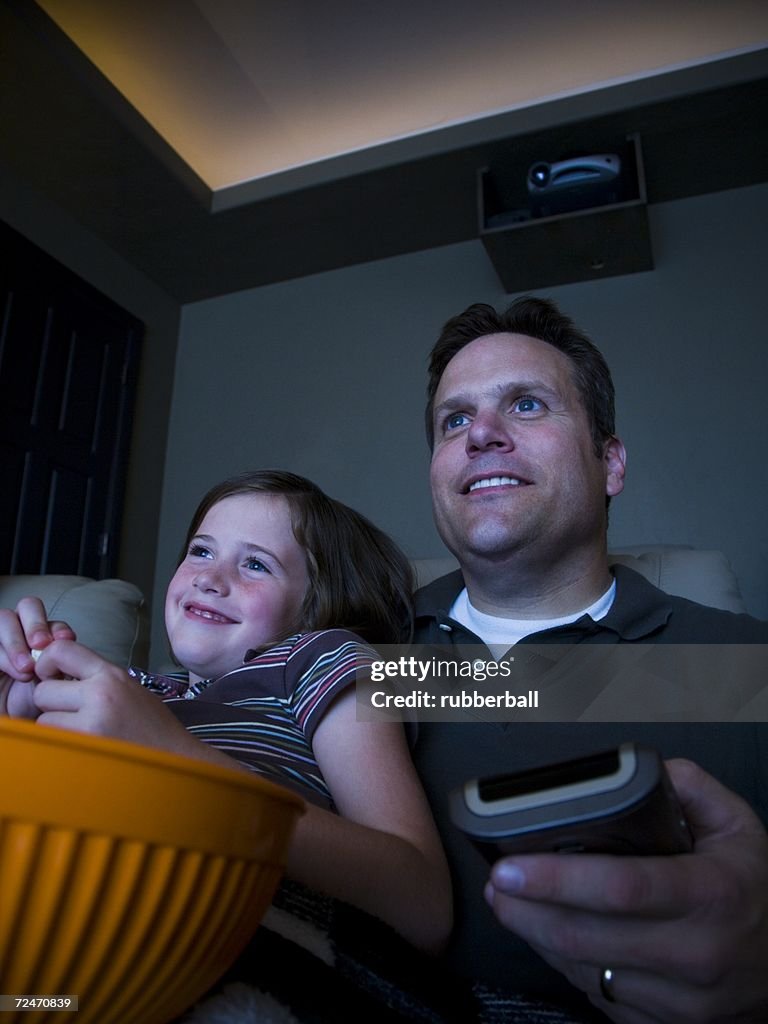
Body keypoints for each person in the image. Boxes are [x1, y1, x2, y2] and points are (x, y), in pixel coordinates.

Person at [412, 297, 768, 1022]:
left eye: (527, 404)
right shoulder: (352, 658)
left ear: (611, 463)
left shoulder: (748, 664)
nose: (481, 433)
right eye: (455, 419)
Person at [0, 470, 451, 956]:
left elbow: (422, 904)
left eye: (256, 564)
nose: (209, 579)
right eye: (200, 551)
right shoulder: (138, 689)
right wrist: (17, 701)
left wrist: (174, 758)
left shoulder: (318, 658)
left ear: (314, 607)